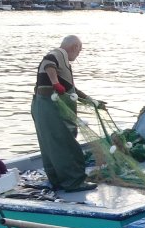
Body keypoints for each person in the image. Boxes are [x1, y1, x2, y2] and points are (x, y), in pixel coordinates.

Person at [31, 35, 98, 192]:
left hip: (43, 107)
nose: (78, 54)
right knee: (65, 145)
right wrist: (55, 83)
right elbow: (48, 64)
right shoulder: (58, 54)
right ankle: (74, 182)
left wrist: (91, 101)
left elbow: (71, 89)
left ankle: (57, 180)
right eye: (79, 50)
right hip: (49, 107)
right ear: (74, 47)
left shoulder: (64, 63)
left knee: (51, 145)